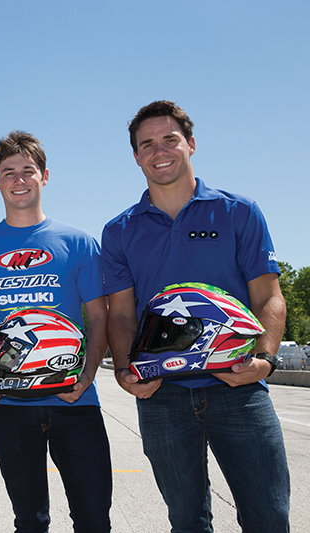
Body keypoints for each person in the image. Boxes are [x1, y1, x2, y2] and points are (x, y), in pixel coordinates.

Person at [102, 100, 291, 532]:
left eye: (170, 139)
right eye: (146, 144)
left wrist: (264, 360)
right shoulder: (119, 230)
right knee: (187, 522)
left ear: (190, 144)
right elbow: (122, 315)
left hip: (238, 388)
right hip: (162, 394)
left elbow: (269, 295)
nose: (159, 151)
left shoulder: (238, 211)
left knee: (269, 517)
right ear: (136, 157)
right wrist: (127, 369)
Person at [0, 131, 112, 533]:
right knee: (30, 522)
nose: (19, 179)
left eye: (28, 170)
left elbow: (98, 316)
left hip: (74, 399)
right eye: (8, 172)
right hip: (10, 405)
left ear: (45, 176)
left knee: (94, 520)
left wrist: (87, 376)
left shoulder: (78, 242)